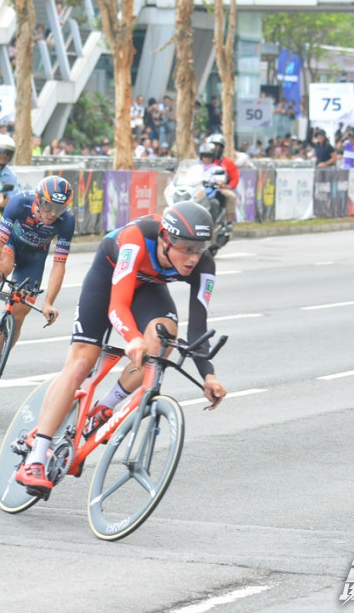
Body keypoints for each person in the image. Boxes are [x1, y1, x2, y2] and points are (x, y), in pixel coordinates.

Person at [14, 201, 227, 495]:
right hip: (108, 278)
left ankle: (105, 406)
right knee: (80, 364)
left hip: (149, 286)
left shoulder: (204, 266)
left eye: (199, 248)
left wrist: (209, 376)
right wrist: (132, 338)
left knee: (164, 339)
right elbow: (118, 305)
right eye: (186, 248)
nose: (193, 257)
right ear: (166, 238)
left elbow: (198, 329)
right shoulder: (137, 238)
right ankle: (36, 457)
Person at [0, 176, 74, 394]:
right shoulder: (19, 203)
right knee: (1, 270)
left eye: (59, 209)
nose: (53, 213)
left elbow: (59, 265)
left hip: (34, 258)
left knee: (20, 311)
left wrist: (49, 302)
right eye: (48, 206)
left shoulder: (66, 220)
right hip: (11, 244)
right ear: (39, 200)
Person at [205, 133, 239, 227]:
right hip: (202, 188)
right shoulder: (201, 162)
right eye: (212, 146)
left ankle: (229, 222)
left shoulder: (228, 163)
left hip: (220, 188)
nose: (215, 148)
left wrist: (227, 186)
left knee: (231, 196)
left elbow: (235, 178)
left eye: (217, 146)